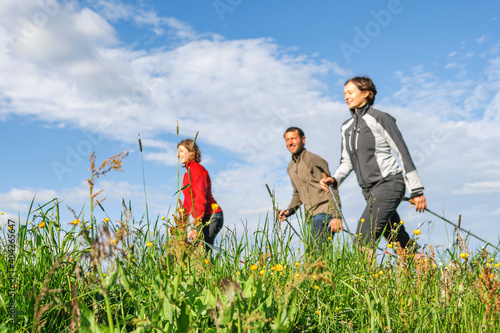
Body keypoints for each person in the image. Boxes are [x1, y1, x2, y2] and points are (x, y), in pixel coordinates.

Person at [320, 76, 427, 256]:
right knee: (396, 237)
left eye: (350, 92)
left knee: (364, 235)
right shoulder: (346, 127)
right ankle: (429, 271)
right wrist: (335, 179)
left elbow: (402, 152)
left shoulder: (380, 118)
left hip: (389, 183)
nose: (346, 96)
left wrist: (416, 190)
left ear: (366, 93)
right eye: (344, 93)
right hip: (369, 191)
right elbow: (346, 161)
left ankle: (365, 283)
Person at [278, 127, 343, 249]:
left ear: (303, 139)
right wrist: (289, 211)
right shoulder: (290, 167)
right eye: (287, 140)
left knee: (319, 254)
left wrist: (336, 217)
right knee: (313, 256)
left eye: (293, 138)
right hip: (310, 217)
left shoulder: (314, 160)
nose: (290, 142)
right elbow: (297, 193)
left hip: (325, 213)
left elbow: (331, 187)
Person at [177, 138, 223, 252]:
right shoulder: (187, 174)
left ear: (191, 152)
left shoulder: (197, 169)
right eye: (178, 152)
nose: (179, 155)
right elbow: (187, 201)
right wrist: (180, 226)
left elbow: (200, 197)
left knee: (202, 253)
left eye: (182, 151)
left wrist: (196, 226)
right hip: (203, 217)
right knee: (197, 254)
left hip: (211, 216)